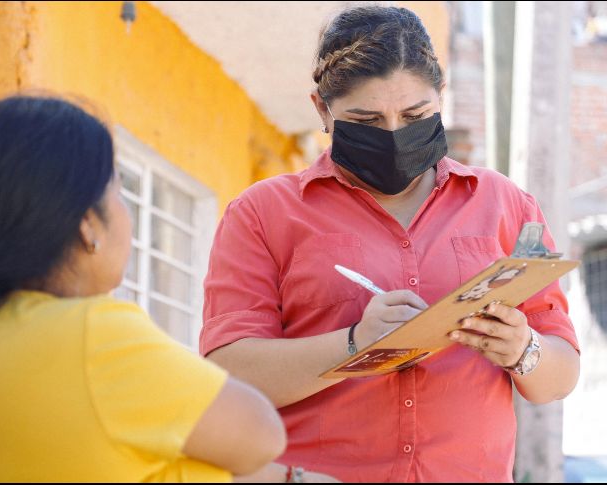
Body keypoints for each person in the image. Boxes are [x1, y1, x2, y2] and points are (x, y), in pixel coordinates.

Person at [200, 5, 580, 483]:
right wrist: (355, 342)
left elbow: (559, 376)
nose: (395, 134)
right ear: (322, 109)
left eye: (415, 114)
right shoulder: (263, 213)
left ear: (440, 97)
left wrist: (523, 348)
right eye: (368, 120)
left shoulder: (504, 203)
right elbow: (229, 371)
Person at [0, 95, 291, 482]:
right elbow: (263, 435)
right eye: (119, 191)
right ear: (88, 224)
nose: (127, 215)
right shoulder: (92, 335)